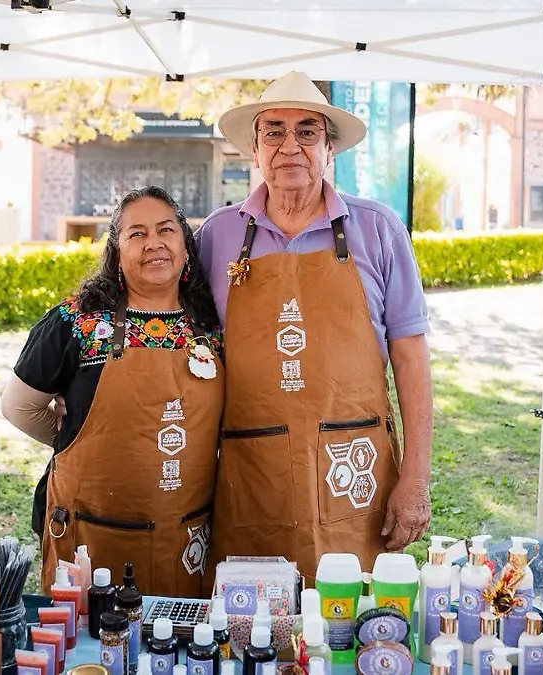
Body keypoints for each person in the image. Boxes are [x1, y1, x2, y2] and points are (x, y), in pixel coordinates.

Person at [196, 71, 433, 578]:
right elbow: (187, 351)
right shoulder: (217, 235)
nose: (290, 146)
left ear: (329, 149)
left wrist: (415, 474)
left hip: (354, 465)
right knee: (254, 631)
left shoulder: (379, 229)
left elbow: (411, 358)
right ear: (255, 150)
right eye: (273, 131)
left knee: (355, 625)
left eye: (307, 131)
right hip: (251, 469)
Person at [2, 186, 223, 594]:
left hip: (184, 532)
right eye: (136, 233)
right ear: (116, 252)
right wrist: (76, 441)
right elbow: (19, 406)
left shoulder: (212, 327)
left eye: (166, 230)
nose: (153, 243)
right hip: (91, 531)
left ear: (186, 246)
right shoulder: (77, 322)